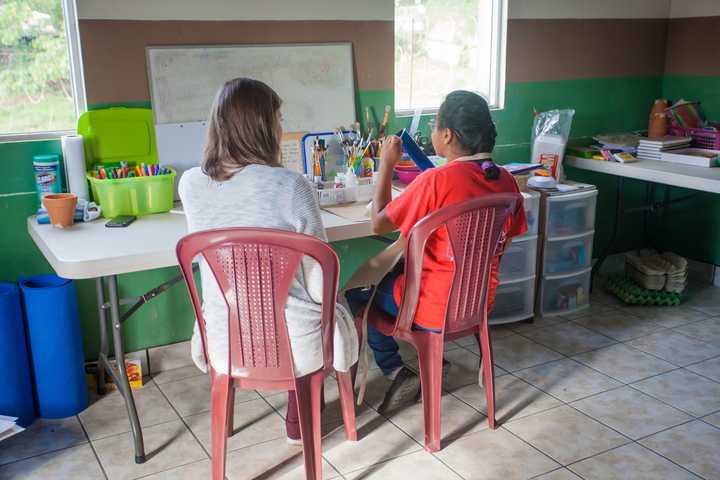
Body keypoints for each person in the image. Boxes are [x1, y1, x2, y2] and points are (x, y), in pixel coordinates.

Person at [179, 77, 358, 444]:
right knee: (336, 304)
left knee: (288, 301)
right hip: (291, 343)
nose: (281, 128)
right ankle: (301, 421)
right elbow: (319, 284)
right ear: (261, 127)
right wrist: (337, 297)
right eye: (278, 119)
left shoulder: (191, 185)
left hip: (225, 335)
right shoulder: (290, 186)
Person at [346, 90, 527, 413]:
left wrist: (386, 164)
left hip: (431, 308)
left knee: (358, 291)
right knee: (403, 272)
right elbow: (505, 243)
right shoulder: (506, 181)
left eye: (434, 124)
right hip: (477, 301)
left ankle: (395, 370)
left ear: (447, 135)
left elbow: (378, 223)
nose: (432, 131)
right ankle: (430, 359)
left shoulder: (436, 180)